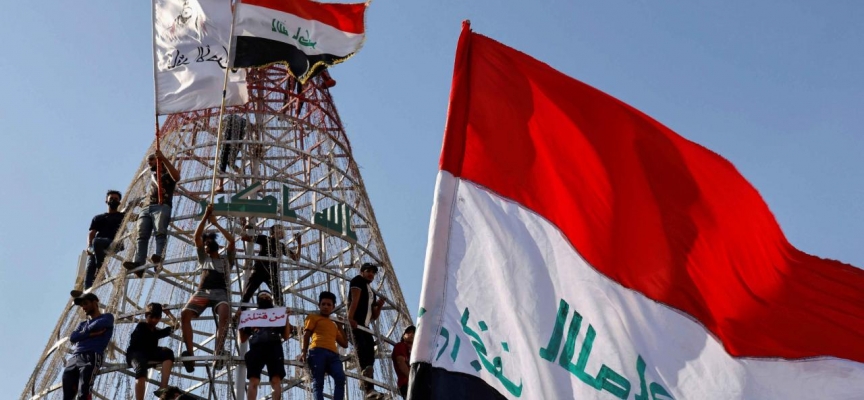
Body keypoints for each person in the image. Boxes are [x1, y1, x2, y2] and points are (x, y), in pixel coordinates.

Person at [179, 204, 235, 372]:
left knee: (225, 313)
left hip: (221, 293)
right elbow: (196, 237)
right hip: (203, 292)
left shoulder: (226, 260)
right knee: (184, 314)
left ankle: (218, 351)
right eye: (204, 244)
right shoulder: (204, 259)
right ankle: (190, 354)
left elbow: (232, 241)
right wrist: (205, 216)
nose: (206, 245)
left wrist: (216, 223)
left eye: (209, 242)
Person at [124, 150, 180, 276]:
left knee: (160, 231)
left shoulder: (168, 173)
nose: (149, 162)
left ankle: (159, 257)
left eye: (151, 159)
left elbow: (177, 177)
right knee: (141, 235)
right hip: (147, 207)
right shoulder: (154, 175)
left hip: (161, 205)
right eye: (148, 161)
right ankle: (139, 264)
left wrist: (163, 158)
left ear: (159, 160)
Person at [239, 291, 293, 400]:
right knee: (254, 380)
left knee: (275, 380)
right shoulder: (252, 316)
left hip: (274, 347)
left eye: (267, 297)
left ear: (271, 300)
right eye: (262, 298)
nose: (264, 299)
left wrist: (286, 318)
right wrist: (241, 322)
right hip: (256, 348)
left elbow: (286, 336)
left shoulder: (276, 315)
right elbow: (243, 339)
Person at [72, 190, 125, 297]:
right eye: (111, 199)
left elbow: (133, 216)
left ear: (120, 202)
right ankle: (87, 293)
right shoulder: (98, 218)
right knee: (90, 265)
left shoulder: (122, 216)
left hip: (114, 243)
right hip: (98, 245)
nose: (113, 201)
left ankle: (100, 271)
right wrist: (89, 247)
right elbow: (92, 233)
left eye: (116, 199)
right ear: (106, 201)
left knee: (97, 241)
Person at [62, 293, 115, 400]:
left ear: (95, 302)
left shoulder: (107, 317)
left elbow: (99, 324)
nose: (83, 307)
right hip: (74, 358)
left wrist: (83, 333)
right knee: (67, 393)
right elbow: (73, 337)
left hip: (91, 355)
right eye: (82, 305)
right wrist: (91, 334)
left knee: (84, 391)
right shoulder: (82, 324)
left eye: (85, 303)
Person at [238, 223, 301, 309]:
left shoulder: (281, 246)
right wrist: (244, 228)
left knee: (279, 299)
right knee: (247, 294)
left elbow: (296, 257)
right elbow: (245, 238)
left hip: (272, 274)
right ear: (274, 231)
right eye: (280, 229)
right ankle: (240, 313)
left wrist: (299, 243)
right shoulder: (265, 239)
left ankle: (280, 315)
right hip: (259, 271)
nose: (283, 232)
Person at [347, 263, 387, 397]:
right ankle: (365, 381)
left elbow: (373, 316)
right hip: (355, 323)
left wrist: (379, 306)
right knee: (362, 348)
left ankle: (368, 386)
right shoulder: (357, 281)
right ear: (362, 272)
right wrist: (350, 318)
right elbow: (354, 300)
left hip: (365, 326)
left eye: (373, 272)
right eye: (368, 271)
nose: (371, 274)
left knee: (370, 351)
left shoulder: (371, 292)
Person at [301, 291, 348, 400]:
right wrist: (303, 352)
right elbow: (306, 335)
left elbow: (345, 344)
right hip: (317, 351)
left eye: (328, 304)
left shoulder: (333, 324)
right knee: (318, 382)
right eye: (323, 304)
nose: (326, 307)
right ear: (319, 305)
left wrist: (340, 327)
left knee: (340, 378)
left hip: (333, 355)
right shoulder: (312, 317)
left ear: (333, 307)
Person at [127, 303, 177, 400]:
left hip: (148, 354)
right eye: (152, 317)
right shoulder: (141, 326)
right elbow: (140, 343)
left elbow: (176, 326)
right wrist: (159, 349)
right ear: (146, 316)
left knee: (168, 353)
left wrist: (168, 314)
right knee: (141, 369)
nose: (154, 320)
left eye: (157, 318)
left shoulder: (155, 332)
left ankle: (163, 388)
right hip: (136, 353)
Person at [391, 325, 415, 398]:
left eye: (414, 333)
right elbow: (401, 362)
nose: (412, 334)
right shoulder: (400, 346)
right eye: (408, 332)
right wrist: (412, 378)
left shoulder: (415, 351)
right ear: (403, 336)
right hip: (407, 383)